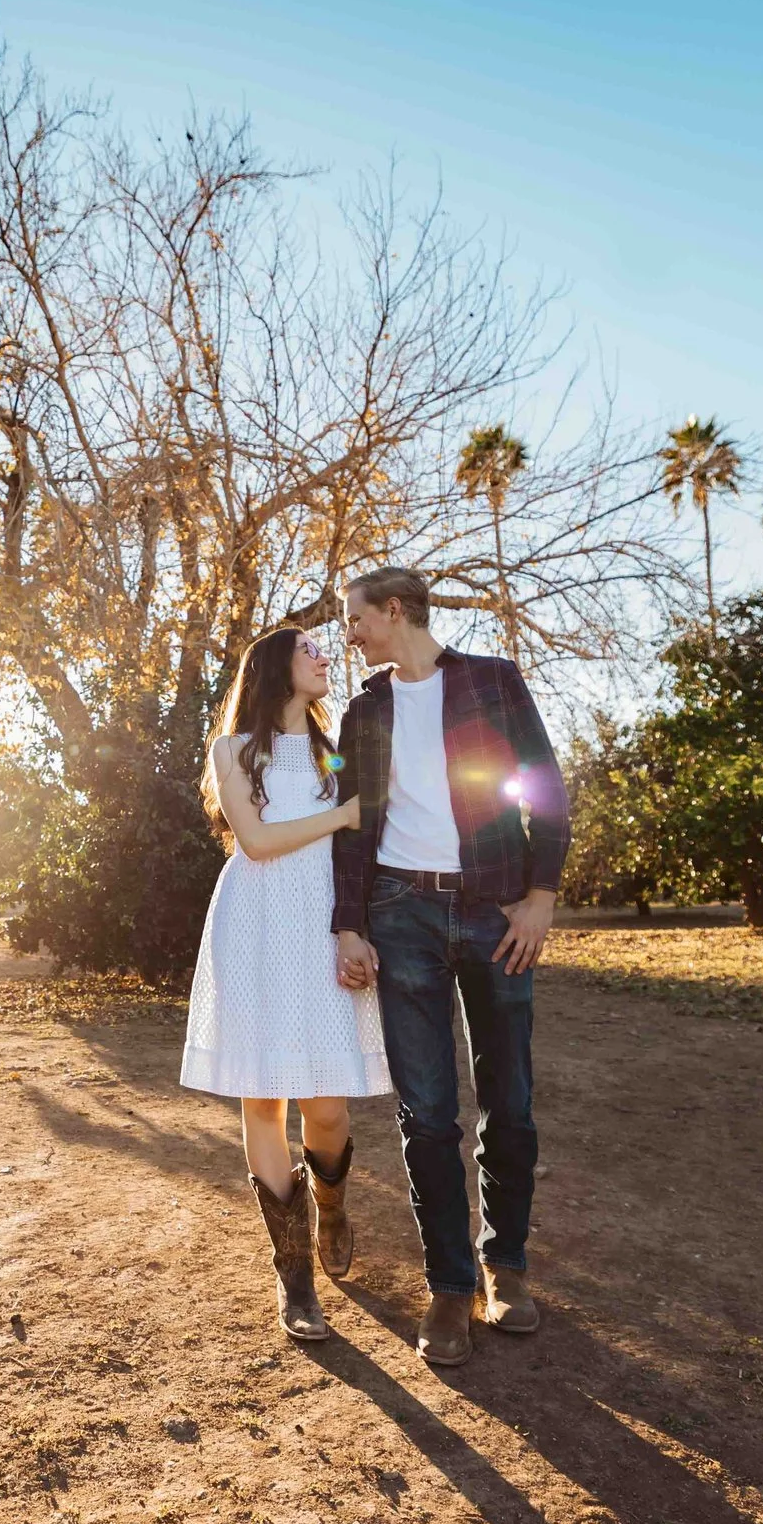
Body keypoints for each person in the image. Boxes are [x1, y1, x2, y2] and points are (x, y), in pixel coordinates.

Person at [329, 566, 569, 1367]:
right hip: (403, 915)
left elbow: (543, 785)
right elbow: (352, 826)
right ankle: (448, 1282)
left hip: (497, 911)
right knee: (426, 1111)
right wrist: (349, 924)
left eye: (356, 618)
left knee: (510, 1098)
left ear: (395, 610)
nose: (350, 633)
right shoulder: (364, 712)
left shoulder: (493, 681)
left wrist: (540, 896)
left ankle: (508, 1265)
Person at [181, 626, 392, 1340]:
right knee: (263, 1101)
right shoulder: (234, 751)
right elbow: (257, 841)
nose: (324, 656)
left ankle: (329, 1204)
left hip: (322, 924)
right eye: (309, 649)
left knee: (326, 1109)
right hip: (255, 925)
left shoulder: (334, 751)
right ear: (276, 667)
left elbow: (362, 836)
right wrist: (341, 814)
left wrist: (360, 921)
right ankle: (295, 1277)